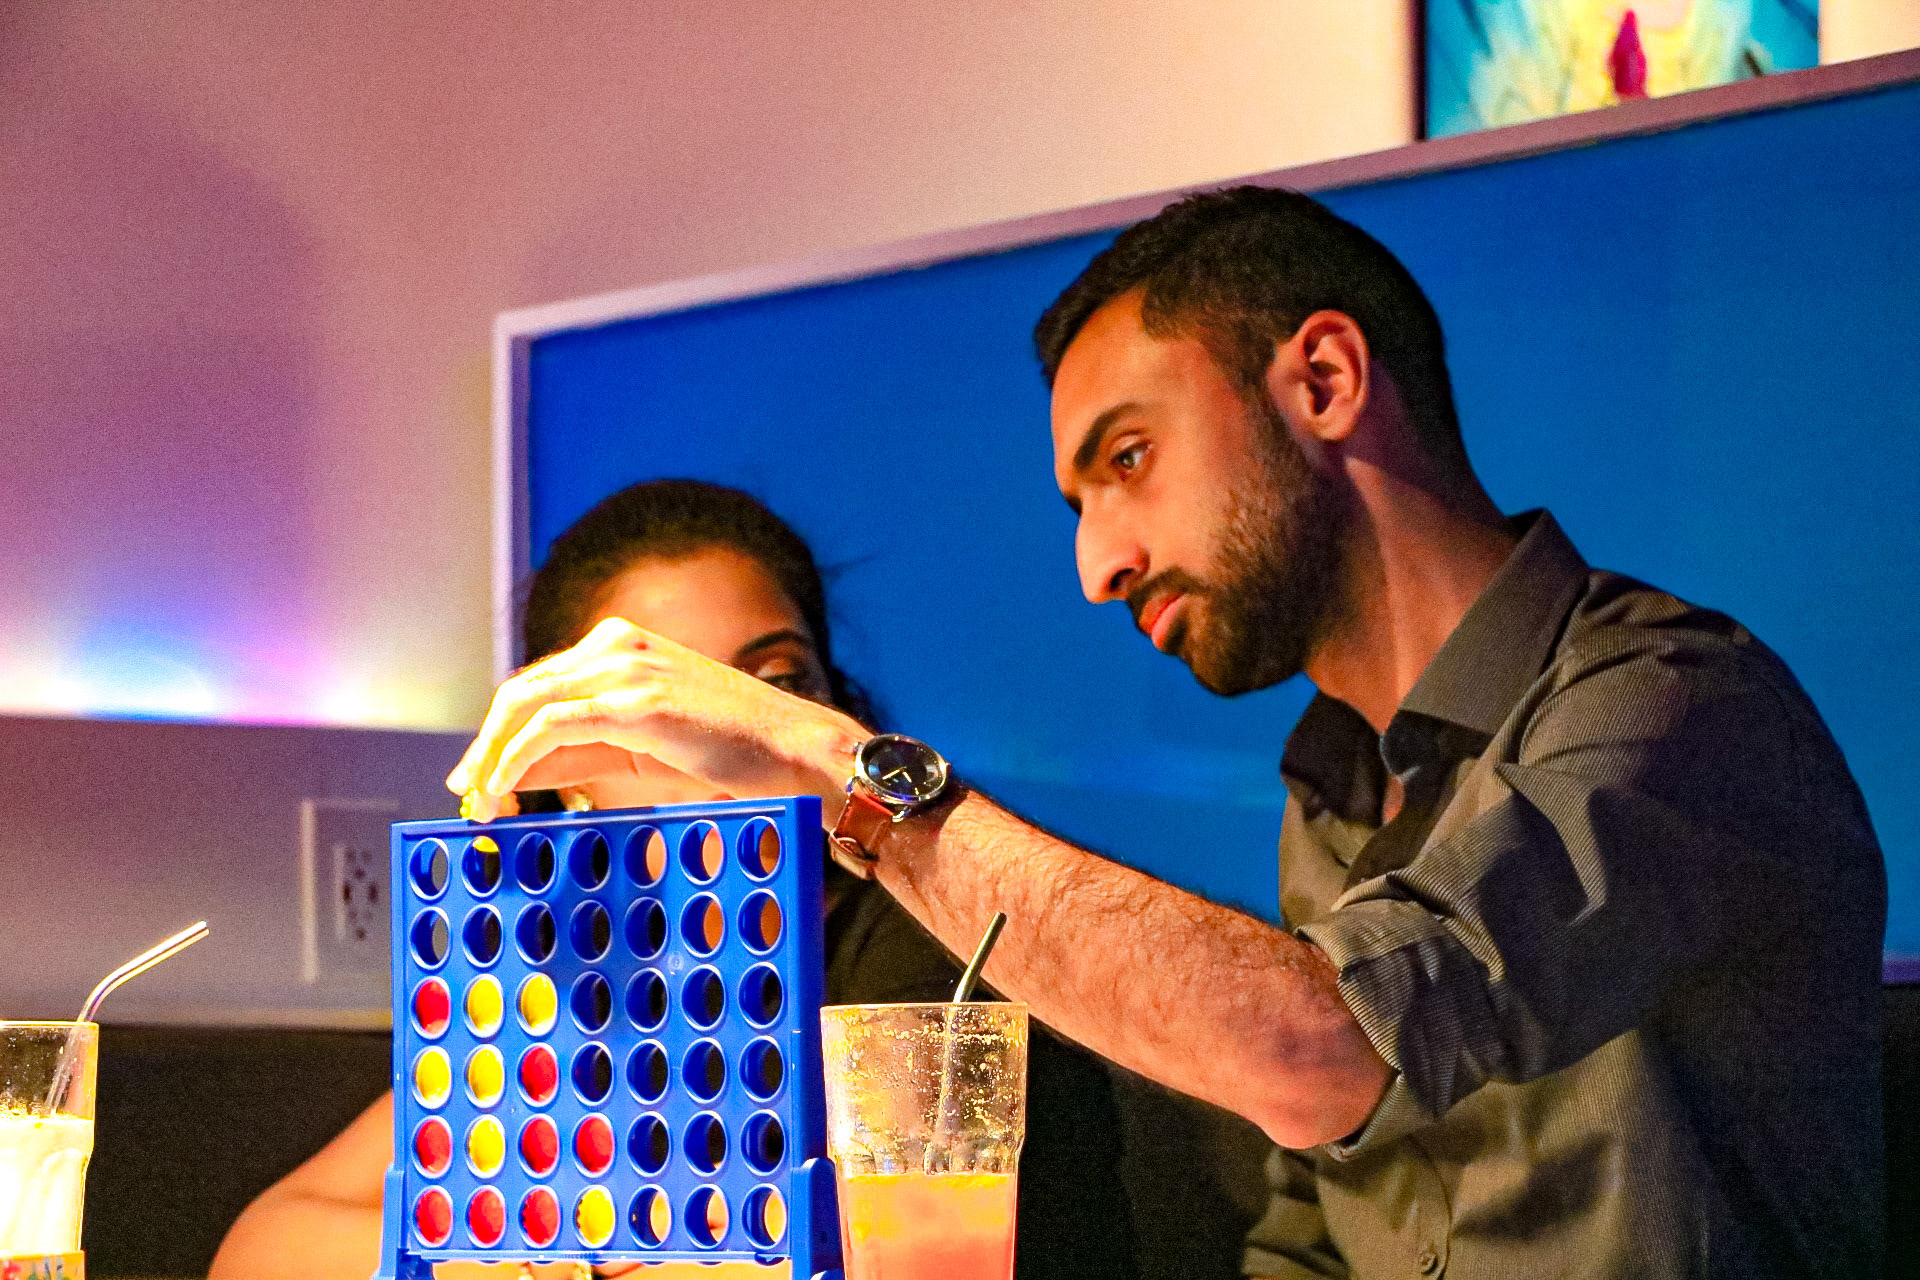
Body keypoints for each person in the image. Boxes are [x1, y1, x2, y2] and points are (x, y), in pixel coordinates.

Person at [447, 187, 1887, 1278]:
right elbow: (1316, 1234)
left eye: (1127, 460)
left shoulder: (1671, 708)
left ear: (1323, 382)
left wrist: (830, 763)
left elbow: (1321, 1048)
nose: (1099, 563)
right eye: (1080, 505)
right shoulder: (1337, 788)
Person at [211, 480, 1138, 1280]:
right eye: (658, 707)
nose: (727, 738)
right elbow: (270, 1244)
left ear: (835, 712)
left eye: (775, 687)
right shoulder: (578, 979)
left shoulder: (926, 954)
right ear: (563, 763)